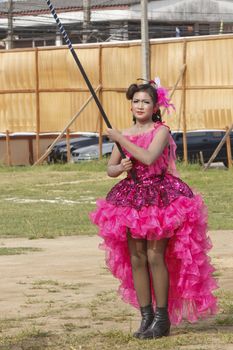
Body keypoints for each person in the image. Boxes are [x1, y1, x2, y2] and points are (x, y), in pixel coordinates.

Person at [90, 80, 218, 340]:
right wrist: (119, 168)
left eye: (145, 102)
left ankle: (162, 319)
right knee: (136, 258)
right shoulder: (125, 132)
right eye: (136, 101)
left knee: (154, 256)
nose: (140, 106)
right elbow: (110, 169)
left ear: (155, 106)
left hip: (160, 198)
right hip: (131, 199)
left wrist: (120, 139)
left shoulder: (162, 130)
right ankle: (146, 316)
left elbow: (148, 157)